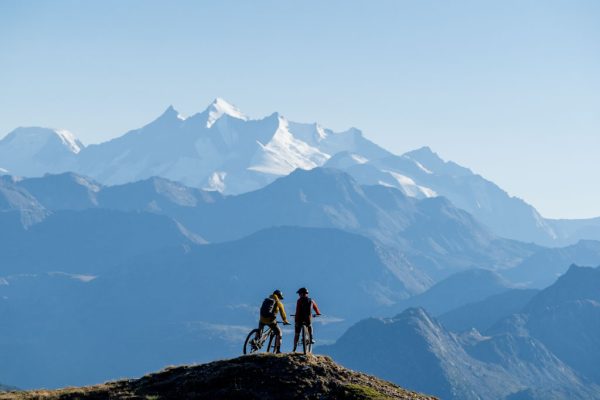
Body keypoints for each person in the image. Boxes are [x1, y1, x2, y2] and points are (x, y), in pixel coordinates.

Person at [257, 289, 290, 353]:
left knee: (259, 330)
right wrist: (285, 320)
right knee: (279, 333)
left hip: (262, 318)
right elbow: (283, 313)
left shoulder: (266, 299)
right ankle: (278, 350)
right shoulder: (279, 303)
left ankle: (255, 340)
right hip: (270, 321)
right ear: (279, 296)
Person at [293, 287, 321, 352]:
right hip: (308, 319)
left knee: (297, 333)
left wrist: (296, 319)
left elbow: (297, 311)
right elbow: (316, 308)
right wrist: (318, 313)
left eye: (299, 294)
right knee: (310, 326)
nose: (299, 295)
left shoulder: (299, 301)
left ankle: (294, 347)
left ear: (302, 294)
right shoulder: (311, 300)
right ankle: (311, 338)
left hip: (299, 319)